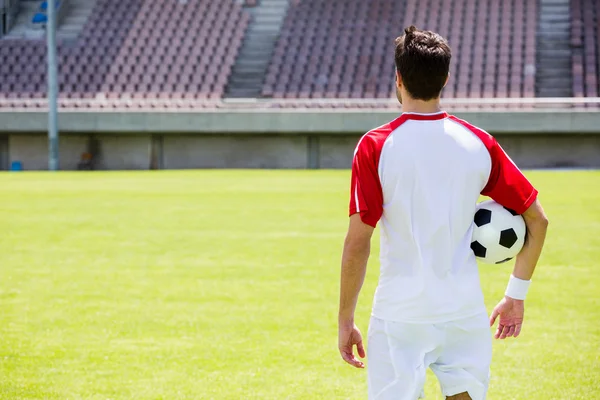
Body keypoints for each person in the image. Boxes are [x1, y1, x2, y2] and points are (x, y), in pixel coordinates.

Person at [337, 26, 549, 400]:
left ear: (398, 78)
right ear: (445, 79)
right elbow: (538, 219)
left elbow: (358, 242)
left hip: (399, 315)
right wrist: (515, 295)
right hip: (463, 313)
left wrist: (345, 321)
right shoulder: (479, 142)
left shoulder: (375, 146)